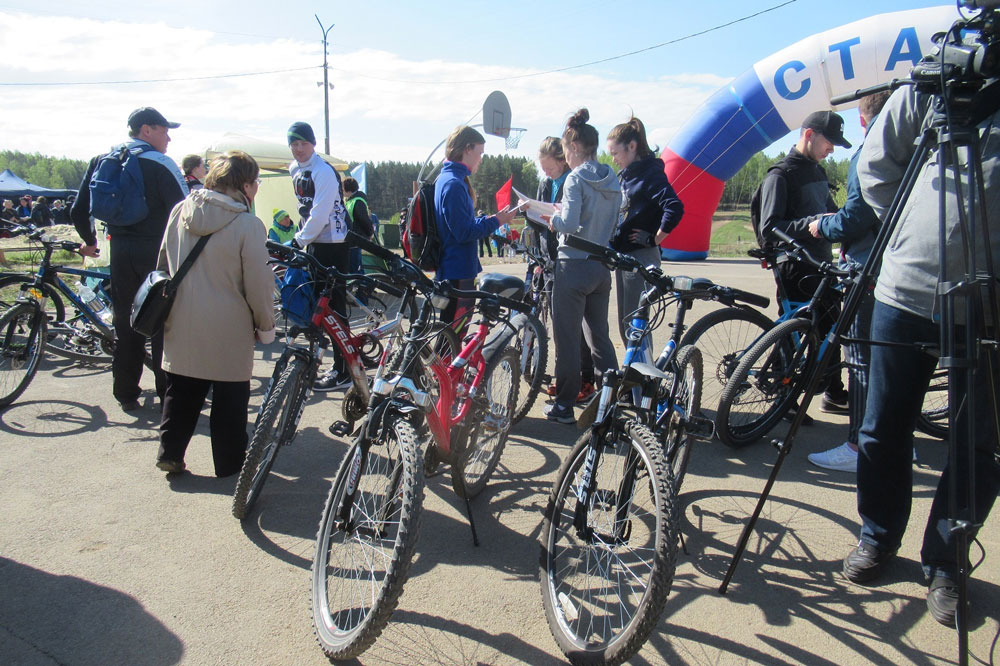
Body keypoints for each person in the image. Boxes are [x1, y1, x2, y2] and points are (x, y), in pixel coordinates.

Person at [842, 84, 1000, 627]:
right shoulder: (937, 78)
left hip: (989, 303)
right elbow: (877, 163)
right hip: (904, 288)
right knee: (882, 427)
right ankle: (878, 536)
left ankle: (947, 561)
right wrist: (911, 230)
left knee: (978, 442)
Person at [154, 150, 276, 476]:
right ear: (245, 185)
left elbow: (164, 263)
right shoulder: (248, 224)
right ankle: (229, 464)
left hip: (180, 318)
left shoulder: (180, 211)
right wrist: (266, 326)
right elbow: (259, 285)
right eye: (256, 182)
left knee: (180, 393)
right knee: (230, 400)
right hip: (229, 326)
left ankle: (170, 452)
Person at [71, 106, 188, 412]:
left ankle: (125, 392)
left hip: (120, 250)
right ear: (145, 130)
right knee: (164, 323)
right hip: (158, 253)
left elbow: (78, 210)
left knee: (127, 322)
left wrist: (90, 241)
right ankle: (169, 396)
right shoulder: (161, 163)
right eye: (164, 131)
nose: (168, 139)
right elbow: (187, 213)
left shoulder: (103, 160)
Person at [805, 91, 891, 472]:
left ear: (862, 117)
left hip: (866, 266)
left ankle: (859, 447)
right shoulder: (913, 149)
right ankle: (891, 438)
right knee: (887, 358)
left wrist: (824, 225)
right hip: (896, 264)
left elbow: (857, 214)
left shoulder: (872, 149)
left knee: (859, 357)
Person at [758, 109, 850, 413]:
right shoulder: (780, 175)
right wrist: (814, 222)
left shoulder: (818, 171)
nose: (832, 149)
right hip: (794, 267)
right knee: (792, 333)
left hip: (822, 265)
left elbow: (831, 213)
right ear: (809, 135)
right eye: (829, 141)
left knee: (830, 328)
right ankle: (783, 399)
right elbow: (770, 228)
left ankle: (833, 392)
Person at [544, 108, 620, 424]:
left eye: (565, 151)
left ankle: (563, 405)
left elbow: (570, 222)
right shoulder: (612, 177)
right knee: (598, 336)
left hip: (572, 266)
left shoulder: (575, 179)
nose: (566, 157)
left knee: (568, 339)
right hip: (601, 267)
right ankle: (612, 397)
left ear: (574, 148)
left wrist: (553, 220)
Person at [606, 116, 684, 347]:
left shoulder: (650, 174)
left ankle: (643, 380)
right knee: (627, 324)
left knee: (635, 325)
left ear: (632, 146)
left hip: (641, 257)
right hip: (625, 258)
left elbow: (674, 206)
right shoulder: (628, 174)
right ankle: (636, 379)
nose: (613, 159)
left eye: (615, 153)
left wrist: (654, 238)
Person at [286, 121, 351, 392]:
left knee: (333, 308)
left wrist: (297, 241)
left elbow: (320, 213)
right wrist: (302, 239)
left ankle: (344, 369)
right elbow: (304, 209)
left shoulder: (323, 171)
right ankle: (328, 361)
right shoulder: (294, 169)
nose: (299, 149)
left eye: (304, 143)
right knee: (318, 307)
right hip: (314, 242)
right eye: (294, 144)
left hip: (333, 243)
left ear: (313, 144)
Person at [534, 136, 598, 404]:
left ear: (563, 159)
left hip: (572, 257)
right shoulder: (545, 184)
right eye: (543, 169)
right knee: (561, 327)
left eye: (549, 167)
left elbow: (577, 219)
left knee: (578, 328)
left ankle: (586, 379)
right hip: (549, 260)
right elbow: (537, 222)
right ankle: (564, 378)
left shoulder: (575, 180)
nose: (546, 173)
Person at [434, 125, 518, 328]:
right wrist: (497, 221)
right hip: (458, 271)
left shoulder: (446, 179)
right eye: (480, 153)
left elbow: (461, 225)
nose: (481, 159)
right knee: (454, 333)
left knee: (449, 334)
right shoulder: (454, 184)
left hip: (451, 269)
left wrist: (494, 218)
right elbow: (464, 232)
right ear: (467, 149)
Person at [342, 175, 374, 275]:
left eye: (342, 189)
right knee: (354, 266)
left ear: (348, 190)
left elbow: (364, 219)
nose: (341, 191)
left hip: (356, 238)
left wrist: (370, 233)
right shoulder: (350, 201)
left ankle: (363, 288)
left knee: (355, 267)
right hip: (351, 238)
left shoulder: (357, 201)